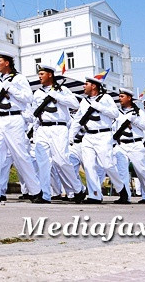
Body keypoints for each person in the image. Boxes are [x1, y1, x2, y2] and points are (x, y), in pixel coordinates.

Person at [0, 51, 41, 202]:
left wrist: (11, 89)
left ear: (7, 63)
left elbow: (28, 97)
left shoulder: (19, 78)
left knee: (21, 156)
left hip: (14, 119)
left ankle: (35, 191)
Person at [31, 64, 86, 203]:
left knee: (61, 161)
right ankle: (45, 194)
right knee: (43, 163)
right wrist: (35, 133)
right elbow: (34, 115)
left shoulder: (63, 90)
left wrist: (57, 96)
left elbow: (75, 104)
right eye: (39, 74)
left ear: (50, 74)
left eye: (42, 74)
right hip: (43, 128)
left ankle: (78, 189)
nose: (39, 77)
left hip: (59, 128)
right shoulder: (37, 93)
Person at [72, 76, 128, 204]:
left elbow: (115, 114)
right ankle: (95, 195)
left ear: (93, 86)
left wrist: (99, 106)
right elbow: (77, 120)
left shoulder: (106, 98)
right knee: (89, 165)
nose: (83, 86)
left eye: (86, 84)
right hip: (88, 136)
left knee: (107, 164)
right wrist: (71, 137)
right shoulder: (84, 101)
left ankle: (121, 189)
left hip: (103, 135)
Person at [112, 88, 145, 203]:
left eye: (122, 96)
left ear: (129, 98)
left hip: (135, 144)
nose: (119, 98)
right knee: (122, 171)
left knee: (141, 170)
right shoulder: (117, 112)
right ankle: (125, 196)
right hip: (121, 144)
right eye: (119, 96)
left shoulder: (138, 112)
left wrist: (135, 121)